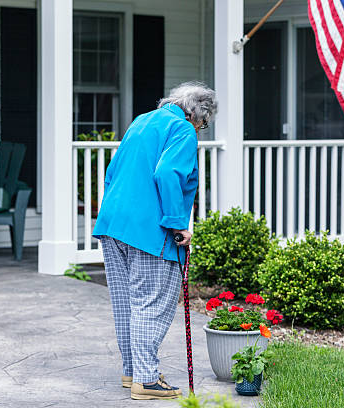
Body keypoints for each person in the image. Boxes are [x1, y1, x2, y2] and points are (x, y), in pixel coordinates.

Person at [92, 81, 218, 400]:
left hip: (113, 223)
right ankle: (146, 380)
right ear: (197, 115)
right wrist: (178, 225)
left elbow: (113, 170)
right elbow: (167, 174)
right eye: (203, 124)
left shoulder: (142, 120)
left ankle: (133, 370)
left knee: (126, 304)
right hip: (147, 229)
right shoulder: (182, 130)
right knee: (152, 303)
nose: (200, 130)